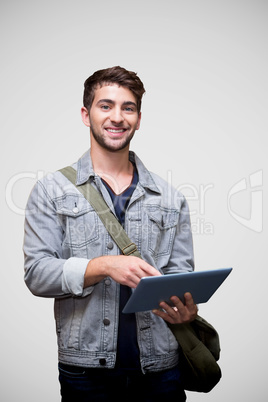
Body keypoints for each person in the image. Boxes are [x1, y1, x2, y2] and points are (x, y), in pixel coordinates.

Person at [24, 66, 198, 402]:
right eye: (106, 106)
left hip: (161, 368)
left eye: (127, 107)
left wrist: (186, 308)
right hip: (86, 372)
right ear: (85, 114)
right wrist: (103, 266)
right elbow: (36, 274)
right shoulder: (51, 190)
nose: (117, 117)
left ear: (139, 118)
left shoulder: (171, 197)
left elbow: (180, 276)